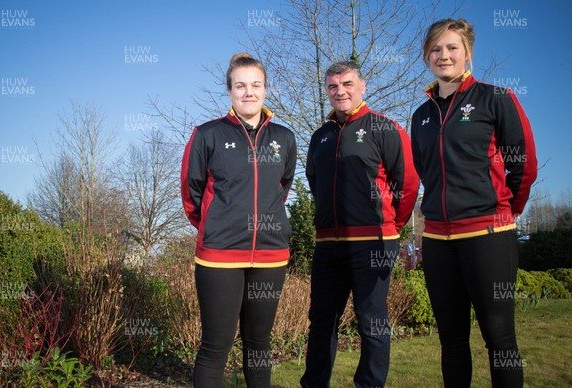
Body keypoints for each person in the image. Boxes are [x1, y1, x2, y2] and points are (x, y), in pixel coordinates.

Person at [410, 18, 538, 387]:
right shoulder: (421, 116)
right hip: (437, 241)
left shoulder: (495, 97)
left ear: (467, 54)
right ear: (427, 57)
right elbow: (427, 172)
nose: (443, 55)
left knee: (500, 339)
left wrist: (506, 209)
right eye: (436, 49)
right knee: (451, 341)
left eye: (452, 47)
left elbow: (523, 161)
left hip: (488, 234)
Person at [181, 53, 297, 388]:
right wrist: (215, 226)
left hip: (271, 256)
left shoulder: (284, 139)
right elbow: (191, 193)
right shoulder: (207, 134)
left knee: (259, 345)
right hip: (219, 256)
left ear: (266, 89)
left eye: (256, 85)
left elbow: (281, 189)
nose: (249, 92)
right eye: (241, 85)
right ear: (230, 91)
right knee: (215, 347)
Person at [301, 61, 419, 387]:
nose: (340, 91)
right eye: (333, 86)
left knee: (371, 321)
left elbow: (407, 183)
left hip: (373, 243)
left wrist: (392, 225)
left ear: (362, 86)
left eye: (347, 84)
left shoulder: (384, 128)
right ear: (327, 90)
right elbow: (315, 183)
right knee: (322, 321)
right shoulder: (319, 137)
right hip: (327, 245)